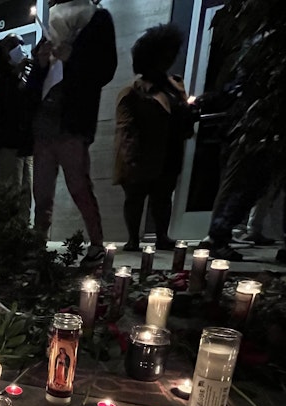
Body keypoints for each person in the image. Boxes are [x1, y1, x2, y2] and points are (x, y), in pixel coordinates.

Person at [28, 0, 117, 264]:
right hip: (44, 123)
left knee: (78, 185)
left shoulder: (96, 20)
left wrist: (74, 58)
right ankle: (37, 245)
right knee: (41, 191)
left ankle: (96, 242)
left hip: (72, 122)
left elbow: (105, 69)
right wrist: (41, 62)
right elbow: (34, 85)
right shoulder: (51, 27)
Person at [113, 24, 195, 252]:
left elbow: (182, 115)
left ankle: (162, 235)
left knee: (163, 196)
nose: (168, 59)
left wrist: (189, 113)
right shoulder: (132, 91)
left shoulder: (175, 86)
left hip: (169, 151)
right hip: (141, 153)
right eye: (163, 54)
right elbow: (125, 126)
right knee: (135, 198)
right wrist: (130, 157)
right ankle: (133, 239)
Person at [0, 34, 37, 224]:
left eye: (21, 43)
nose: (21, 48)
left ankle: (24, 233)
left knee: (26, 190)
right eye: (16, 45)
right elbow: (5, 105)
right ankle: (10, 235)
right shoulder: (2, 78)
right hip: (9, 142)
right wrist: (15, 73)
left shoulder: (26, 74)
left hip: (26, 143)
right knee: (12, 191)